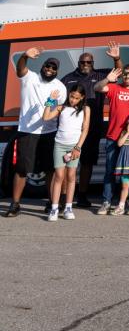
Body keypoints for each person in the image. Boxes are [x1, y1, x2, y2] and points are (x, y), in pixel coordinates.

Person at [5, 48, 67, 218]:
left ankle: (51, 203)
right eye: (48, 66)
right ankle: (15, 204)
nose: (50, 69)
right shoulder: (29, 77)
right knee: (21, 170)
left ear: (57, 71)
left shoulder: (60, 87)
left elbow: (60, 110)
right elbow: (20, 68)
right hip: (27, 132)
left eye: (54, 68)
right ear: (43, 66)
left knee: (50, 171)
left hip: (49, 133)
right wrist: (25, 56)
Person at [60, 43, 122, 208]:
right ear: (78, 63)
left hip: (93, 127)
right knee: (67, 163)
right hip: (71, 129)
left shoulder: (100, 75)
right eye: (83, 62)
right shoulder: (67, 79)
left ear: (93, 63)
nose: (86, 65)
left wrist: (116, 58)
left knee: (87, 163)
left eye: (89, 62)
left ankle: (82, 196)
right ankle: (63, 197)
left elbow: (118, 73)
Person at [93, 64, 129, 215]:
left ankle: (127, 203)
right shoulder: (114, 88)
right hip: (113, 136)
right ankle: (106, 202)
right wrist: (107, 79)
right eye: (125, 74)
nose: (128, 77)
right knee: (110, 171)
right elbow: (97, 88)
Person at [43, 85, 90, 221]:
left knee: (71, 176)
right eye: (71, 96)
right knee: (58, 176)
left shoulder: (86, 110)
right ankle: (54, 208)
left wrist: (78, 147)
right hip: (59, 145)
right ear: (68, 95)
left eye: (76, 98)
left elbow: (85, 130)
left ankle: (68, 208)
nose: (73, 100)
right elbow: (46, 117)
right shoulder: (61, 107)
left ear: (82, 97)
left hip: (74, 147)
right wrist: (50, 101)